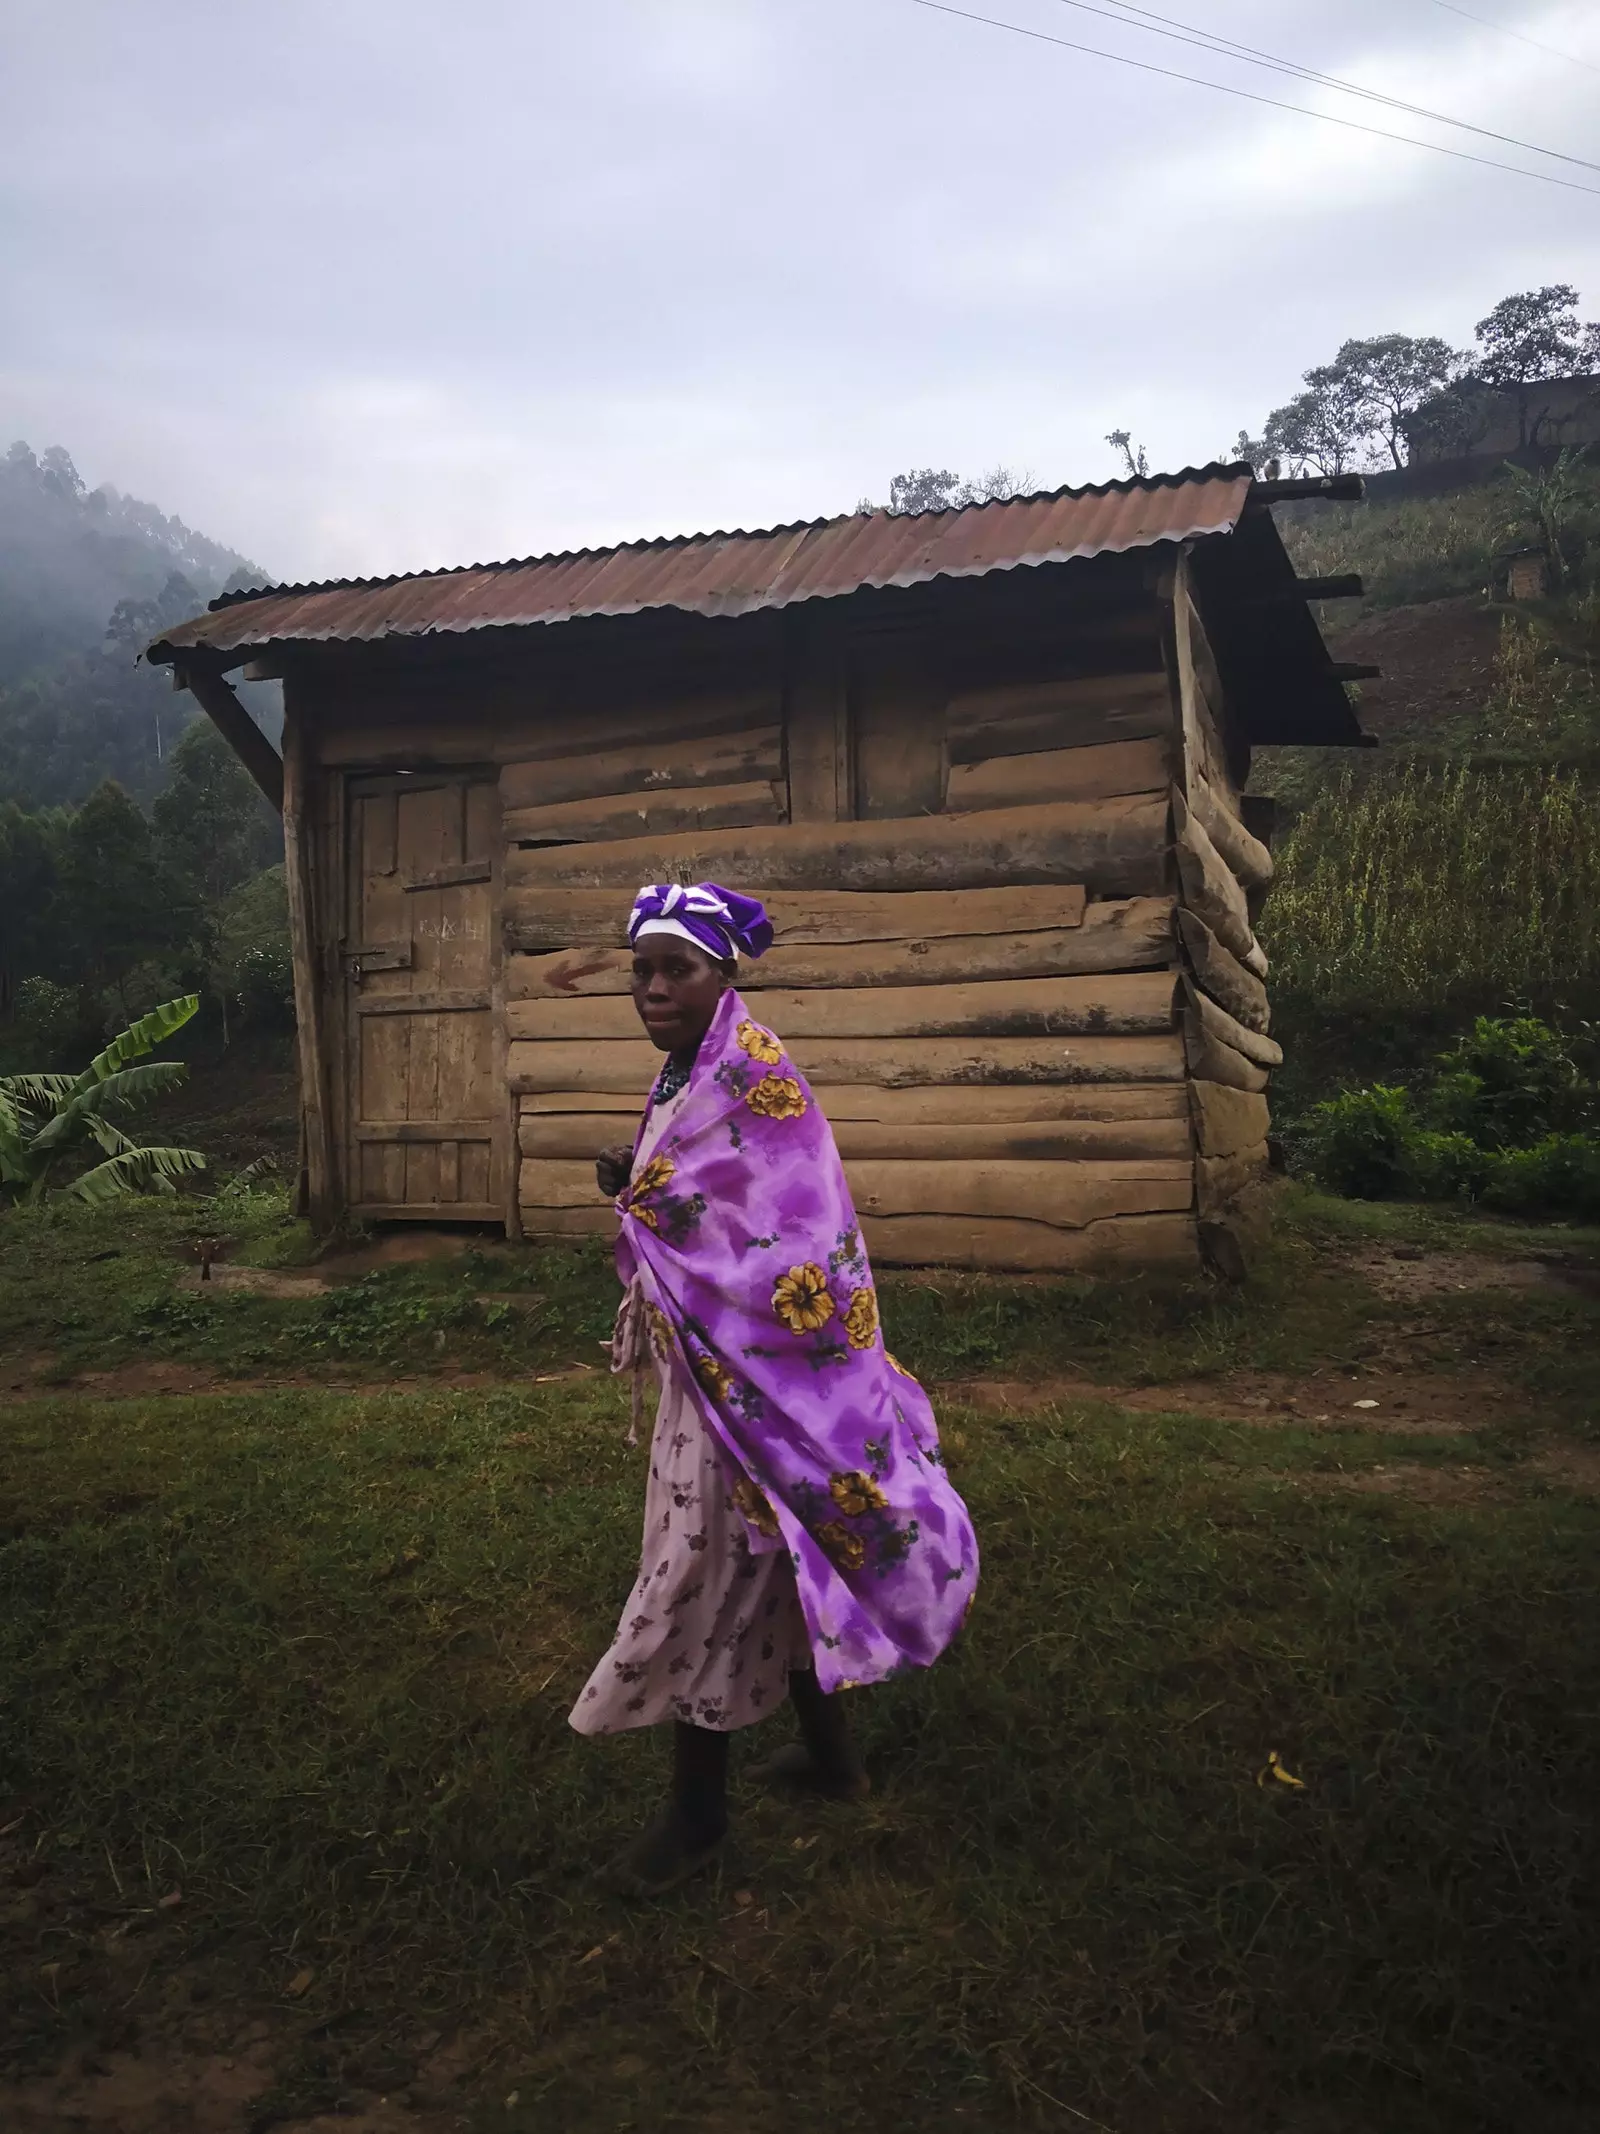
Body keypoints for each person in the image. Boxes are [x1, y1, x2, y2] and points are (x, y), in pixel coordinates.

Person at [570, 879, 979, 1897]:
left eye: (678, 970)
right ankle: (836, 1760)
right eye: (642, 971)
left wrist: (658, 1208)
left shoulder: (754, 1076)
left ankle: (698, 1819)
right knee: (772, 1552)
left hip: (758, 1379)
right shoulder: (686, 1072)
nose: (654, 987)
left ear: (724, 976)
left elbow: (793, 1232)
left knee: (703, 1569)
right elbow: (703, 1189)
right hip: (711, 1370)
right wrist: (637, 1180)